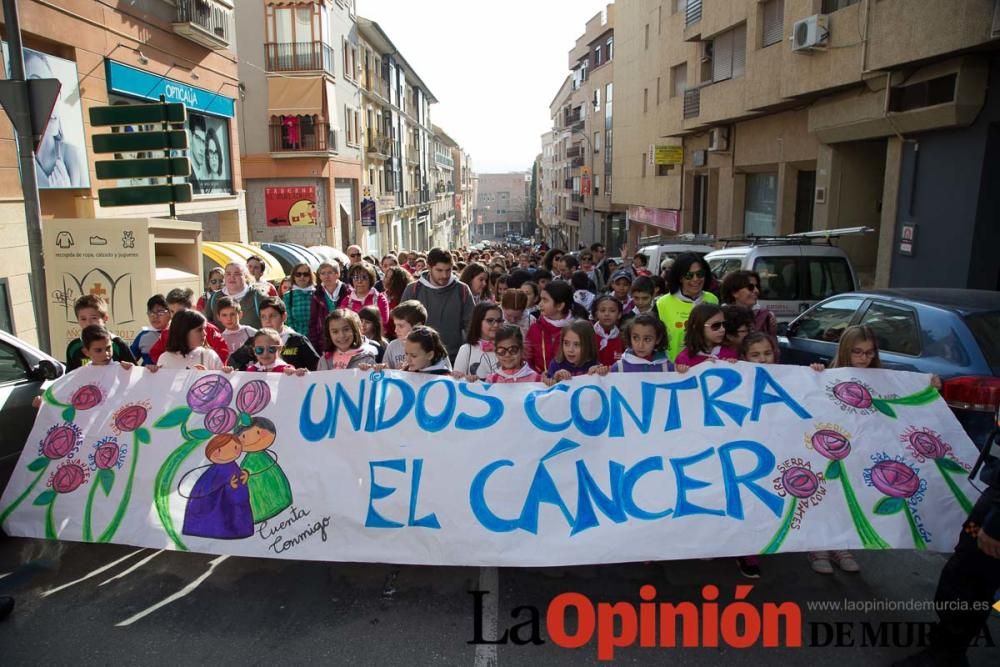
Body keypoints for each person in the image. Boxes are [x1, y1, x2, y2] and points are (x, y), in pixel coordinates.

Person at [399, 247, 475, 362]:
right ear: (429, 267)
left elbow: (471, 326)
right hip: (420, 360)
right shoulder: (413, 289)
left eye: (448, 270)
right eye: (439, 270)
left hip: (454, 358)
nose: (444, 275)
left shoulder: (462, 290)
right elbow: (402, 323)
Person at [26, 50, 87, 188]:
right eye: (40, 92)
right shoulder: (20, 162)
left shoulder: (73, 156)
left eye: (54, 90)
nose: (51, 102)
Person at [180, 434, 253, 540]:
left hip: (232, 506)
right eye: (219, 450)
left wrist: (244, 475)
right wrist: (228, 486)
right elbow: (207, 489)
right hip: (215, 510)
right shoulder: (213, 472)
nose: (228, 453)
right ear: (211, 452)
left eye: (235, 447)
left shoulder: (233, 467)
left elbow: (238, 493)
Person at [657, 253, 719, 362]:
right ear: (680, 278)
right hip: (674, 369)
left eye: (700, 274)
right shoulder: (662, 303)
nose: (695, 279)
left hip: (706, 368)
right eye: (689, 275)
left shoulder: (713, 300)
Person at [228, 297, 319, 371]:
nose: (267, 321)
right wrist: (230, 371)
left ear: (284, 317)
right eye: (263, 317)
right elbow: (232, 363)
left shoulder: (298, 341)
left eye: (272, 316)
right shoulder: (253, 341)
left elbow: (318, 369)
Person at [150, 288, 229, 364]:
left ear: (193, 309)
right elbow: (155, 354)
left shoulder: (209, 330)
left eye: (180, 312)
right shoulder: (167, 332)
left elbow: (222, 353)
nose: (175, 316)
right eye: (171, 311)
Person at [65, 295, 135, 371]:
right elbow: (70, 377)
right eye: (83, 319)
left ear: (105, 318)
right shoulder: (73, 347)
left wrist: (130, 369)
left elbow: (133, 373)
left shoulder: (118, 344)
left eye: (94, 318)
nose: (88, 323)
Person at [525, 280, 577, 375]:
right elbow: (528, 359)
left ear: (560, 305)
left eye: (545, 300)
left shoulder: (579, 328)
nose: (540, 304)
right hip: (542, 383)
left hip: (572, 383)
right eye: (540, 299)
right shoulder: (535, 328)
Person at [152, 310, 225, 371]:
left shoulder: (209, 356)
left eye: (204, 329)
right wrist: (150, 375)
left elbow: (223, 385)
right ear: (183, 332)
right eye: (199, 330)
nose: (205, 333)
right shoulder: (165, 358)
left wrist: (208, 377)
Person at [204, 262, 267, 330]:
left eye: (236, 274)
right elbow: (206, 324)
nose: (232, 277)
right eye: (228, 274)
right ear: (224, 276)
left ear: (245, 277)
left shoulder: (258, 296)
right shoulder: (214, 298)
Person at [610, 314, 683, 373]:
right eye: (635, 338)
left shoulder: (667, 367)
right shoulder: (619, 367)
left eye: (647, 339)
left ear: (658, 339)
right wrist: (602, 372)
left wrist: (682, 372)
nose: (640, 345)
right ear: (630, 337)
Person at [307, 261, 351, 352]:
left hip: (346, 338)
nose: (326, 276)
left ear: (337, 274)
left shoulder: (348, 291)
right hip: (324, 340)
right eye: (323, 273)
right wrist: (314, 343)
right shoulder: (316, 295)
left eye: (330, 272)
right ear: (319, 276)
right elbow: (313, 322)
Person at [453, 302, 502, 380]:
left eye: (499, 321)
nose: (496, 325)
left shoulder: (508, 349)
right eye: (490, 320)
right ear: (478, 322)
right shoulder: (466, 349)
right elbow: (457, 380)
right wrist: (466, 378)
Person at [720, 270, 777, 336]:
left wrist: (773, 330)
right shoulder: (720, 317)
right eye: (750, 287)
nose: (756, 291)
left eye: (757, 287)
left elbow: (772, 343)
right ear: (734, 292)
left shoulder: (766, 316)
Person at [344, 262, 390, 331]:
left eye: (364, 277)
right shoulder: (347, 300)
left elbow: (383, 322)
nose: (359, 281)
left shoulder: (380, 298)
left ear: (370, 279)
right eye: (356, 277)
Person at [384, 301, 427, 370]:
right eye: (395, 325)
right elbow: (385, 372)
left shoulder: (432, 346)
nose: (395, 330)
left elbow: (445, 376)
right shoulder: (393, 346)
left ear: (418, 326)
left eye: (401, 326)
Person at [130, 295, 171, 366]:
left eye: (160, 312)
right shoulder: (143, 336)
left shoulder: (177, 334)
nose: (155, 316)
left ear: (170, 313)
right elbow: (130, 360)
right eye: (151, 312)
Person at [283, 262, 316, 338]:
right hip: (296, 337)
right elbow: (288, 320)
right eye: (298, 274)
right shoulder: (288, 296)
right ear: (293, 276)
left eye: (305, 274)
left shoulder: (317, 294)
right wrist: (296, 336)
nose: (302, 277)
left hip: (316, 338)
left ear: (310, 276)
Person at [592, 296, 624, 368]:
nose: (607, 314)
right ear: (596, 313)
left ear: (619, 315)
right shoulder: (589, 334)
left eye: (612, 311)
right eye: (602, 310)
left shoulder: (623, 337)